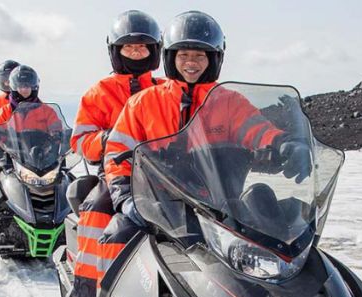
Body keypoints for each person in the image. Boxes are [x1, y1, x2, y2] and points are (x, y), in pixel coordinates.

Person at [100, 11, 310, 280]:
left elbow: (257, 129)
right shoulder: (142, 103)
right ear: (170, 57)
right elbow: (117, 152)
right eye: (184, 54)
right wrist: (125, 198)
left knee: (271, 227)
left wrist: (284, 144)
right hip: (159, 206)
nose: (191, 62)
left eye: (200, 55)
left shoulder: (228, 101)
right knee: (118, 240)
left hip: (220, 207)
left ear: (214, 59)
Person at [68, 10, 162, 297]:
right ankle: (91, 295)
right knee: (96, 209)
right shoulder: (99, 93)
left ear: (155, 51)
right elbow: (80, 141)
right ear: (116, 51)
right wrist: (107, 139)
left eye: (142, 47)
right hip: (114, 174)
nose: (136, 53)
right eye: (129, 47)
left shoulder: (163, 89)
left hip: (163, 174)